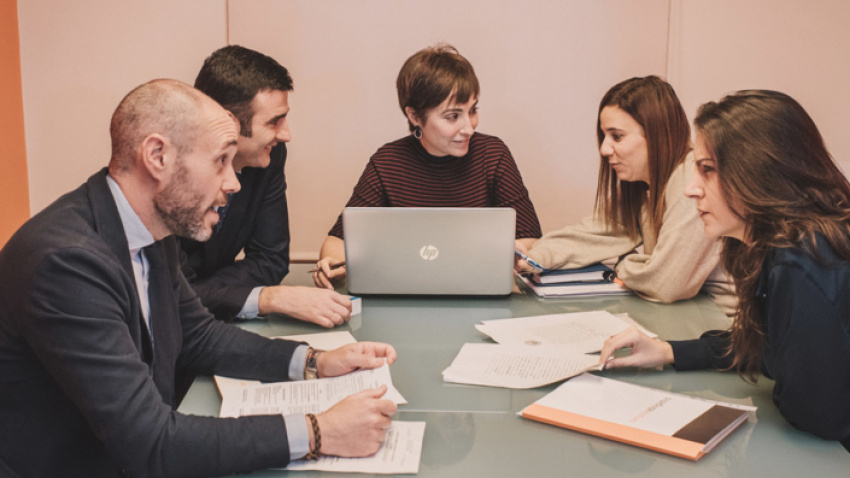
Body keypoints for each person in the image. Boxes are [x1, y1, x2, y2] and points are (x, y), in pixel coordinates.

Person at [0, 79, 398, 477]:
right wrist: (319, 431)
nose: (233, 183)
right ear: (157, 156)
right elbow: (150, 443)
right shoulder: (67, 263)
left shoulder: (150, 228)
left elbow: (199, 336)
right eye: (220, 161)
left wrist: (316, 362)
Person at [599, 90, 850, 450]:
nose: (691, 190)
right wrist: (667, 351)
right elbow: (762, 345)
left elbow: (815, 415)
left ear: (759, 172)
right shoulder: (781, 246)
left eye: (707, 170)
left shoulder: (801, 262)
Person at [313, 44, 542, 288]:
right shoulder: (387, 163)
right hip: (402, 292)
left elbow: (530, 237)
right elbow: (337, 241)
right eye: (453, 116)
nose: (469, 127)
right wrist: (333, 263)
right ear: (414, 116)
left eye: (473, 110)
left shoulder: (492, 155)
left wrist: (517, 252)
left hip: (480, 292)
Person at [516, 76, 735, 316]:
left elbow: (664, 284)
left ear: (657, 134)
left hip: (724, 324)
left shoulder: (692, 181)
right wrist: (530, 258)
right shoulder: (641, 185)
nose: (604, 149)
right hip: (689, 315)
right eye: (604, 136)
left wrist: (622, 264)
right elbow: (592, 235)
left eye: (617, 136)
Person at [181, 45, 352, 328]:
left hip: (215, 326)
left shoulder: (269, 157)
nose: (286, 135)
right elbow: (166, 292)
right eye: (275, 122)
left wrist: (211, 293)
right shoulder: (172, 172)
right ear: (228, 121)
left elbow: (271, 259)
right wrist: (266, 298)